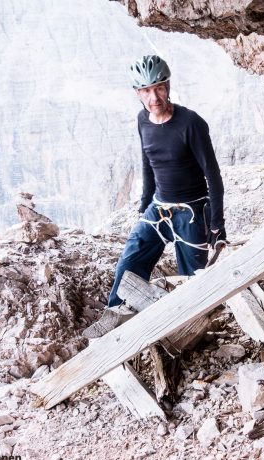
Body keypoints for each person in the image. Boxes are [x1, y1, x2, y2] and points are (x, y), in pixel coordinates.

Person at [107, 55, 226, 308]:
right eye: (146, 91)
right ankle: (115, 316)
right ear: (137, 93)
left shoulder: (190, 123)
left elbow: (213, 176)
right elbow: (148, 162)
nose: (154, 98)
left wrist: (217, 225)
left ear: (168, 87)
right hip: (158, 207)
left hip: (191, 213)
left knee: (193, 283)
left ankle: (191, 325)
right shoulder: (143, 120)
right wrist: (144, 205)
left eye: (159, 88)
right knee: (129, 262)